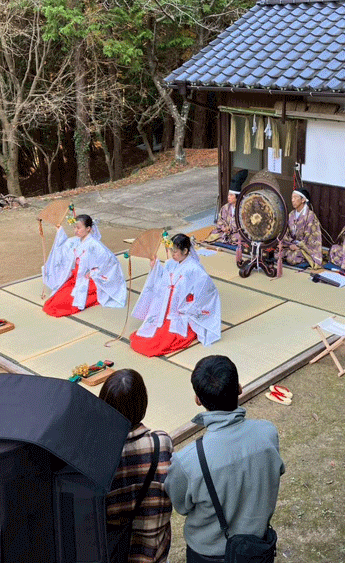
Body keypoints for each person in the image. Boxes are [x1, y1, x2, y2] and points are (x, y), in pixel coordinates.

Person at [164, 355, 284, 563]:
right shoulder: (267, 434)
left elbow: (182, 506)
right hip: (256, 548)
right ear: (239, 388)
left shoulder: (187, 461)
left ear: (198, 399)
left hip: (208, 554)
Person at [100, 369, 173, 563]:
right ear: (144, 402)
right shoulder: (161, 443)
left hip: (113, 552)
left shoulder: (98, 454)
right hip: (151, 551)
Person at [130, 234, 221, 357]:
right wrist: (155, 266)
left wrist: (191, 303)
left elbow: (208, 289)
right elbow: (164, 277)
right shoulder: (171, 263)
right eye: (171, 250)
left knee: (164, 339)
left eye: (176, 251)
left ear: (185, 251)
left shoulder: (194, 268)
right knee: (150, 333)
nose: (173, 254)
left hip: (181, 308)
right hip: (166, 306)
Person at [42, 214, 127, 317]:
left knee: (64, 303)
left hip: (90, 280)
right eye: (74, 227)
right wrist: (59, 231)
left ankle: (94, 294)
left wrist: (94, 273)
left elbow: (111, 262)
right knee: (55, 299)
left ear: (88, 228)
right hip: (77, 277)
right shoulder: (75, 240)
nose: (75, 230)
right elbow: (63, 245)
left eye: (78, 228)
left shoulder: (95, 245)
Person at [279, 188, 322, 268]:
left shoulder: (310, 216)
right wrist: (290, 245)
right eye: (292, 198)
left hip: (305, 247)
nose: (292, 200)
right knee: (278, 254)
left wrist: (298, 246)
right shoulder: (291, 214)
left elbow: (310, 238)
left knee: (292, 258)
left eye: (295, 198)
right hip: (292, 245)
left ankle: (304, 257)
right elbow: (285, 232)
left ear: (303, 200)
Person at [204, 170, 248, 245]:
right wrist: (223, 227)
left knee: (238, 238)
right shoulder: (225, 207)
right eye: (228, 195)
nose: (228, 197)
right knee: (214, 234)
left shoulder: (244, 209)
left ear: (237, 197)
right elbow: (220, 220)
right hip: (225, 231)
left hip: (237, 233)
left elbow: (245, 225)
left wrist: (230, 228)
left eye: (231, 195)